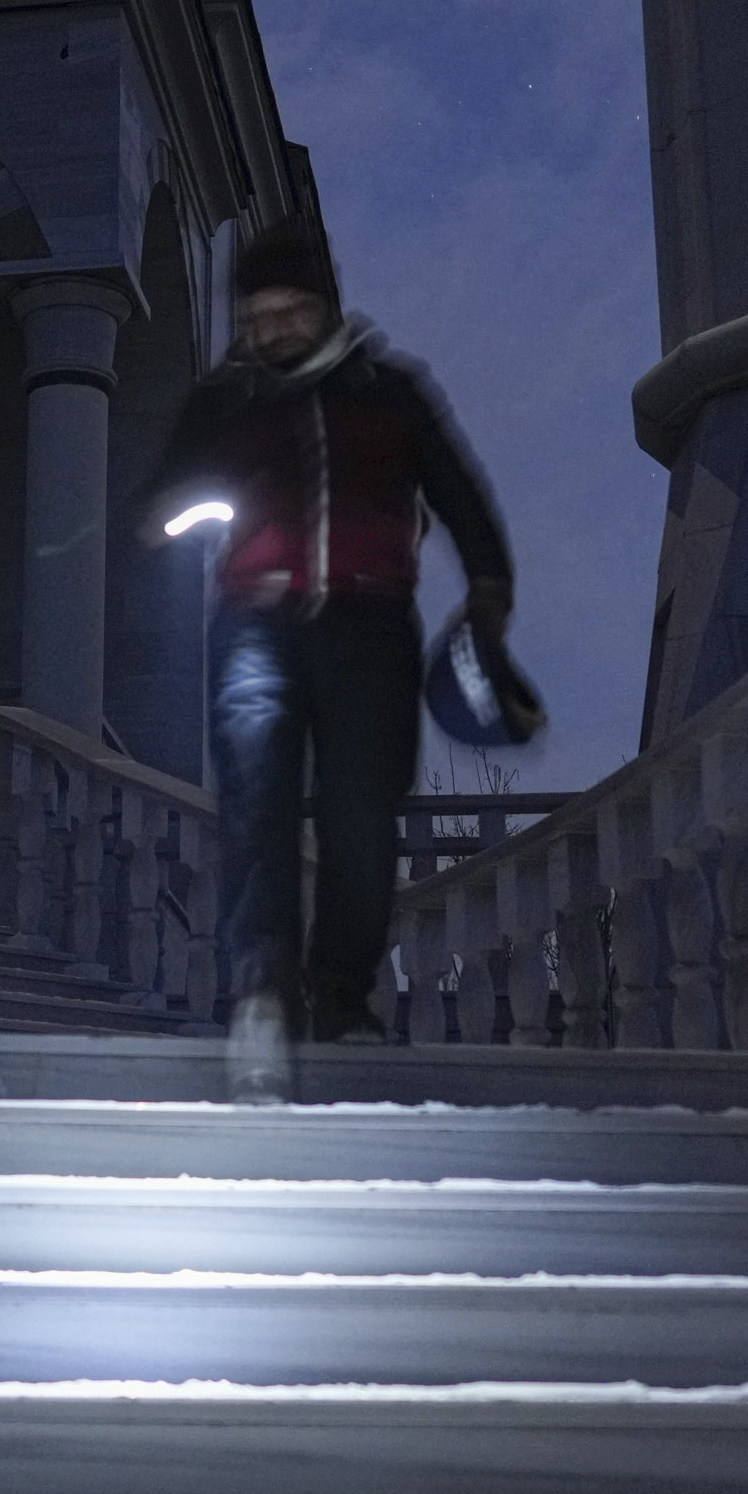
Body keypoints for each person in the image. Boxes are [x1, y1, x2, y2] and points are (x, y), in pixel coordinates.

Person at [138, 219, 516, 1089]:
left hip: (369, 627)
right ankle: (261, 995)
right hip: (253, 625)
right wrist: (181, 507)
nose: (272, 329)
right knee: (256, 802)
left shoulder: (390, 390)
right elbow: (159, 495)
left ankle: (341, 997)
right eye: (258, 313)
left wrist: (489, 580)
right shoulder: (223, 401)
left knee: (359, 817)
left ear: (325, 307)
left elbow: (456, 485)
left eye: (290, 310)